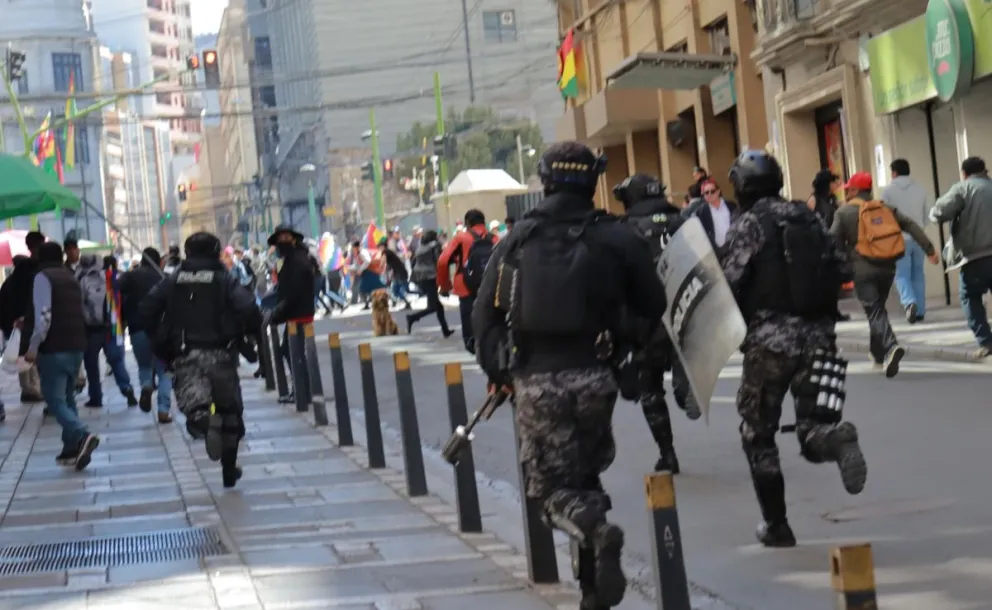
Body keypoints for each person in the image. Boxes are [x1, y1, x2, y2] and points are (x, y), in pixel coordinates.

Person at [472, 142, 667, 610]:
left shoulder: (518, 239)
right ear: (594, 180)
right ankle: (592, 595)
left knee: (551, 494)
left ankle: (598, 533)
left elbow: (485, 315)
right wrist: (626, 346)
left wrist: (500, 370)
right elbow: (654, 305)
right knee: (584, 478)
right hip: (597, 377)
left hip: (538, 380)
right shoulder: (617, 237)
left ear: (545, 179)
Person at [722, 149, 867, 548]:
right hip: (821, 335)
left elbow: (728, 281)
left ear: (741, 185)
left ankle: (777, 525)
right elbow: (842, 268)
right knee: (811, 428)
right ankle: (835, 438)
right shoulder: (807, 217)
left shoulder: (749, 224)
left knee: (758, 433)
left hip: (771, 341)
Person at [140, 232, 262, 488]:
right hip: (221, 354)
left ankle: (206, 422)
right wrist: (247, 332)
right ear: (216, 252)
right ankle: (229, 470)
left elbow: (146, 310)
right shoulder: (224, 280)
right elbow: (249, 309)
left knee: (194, 406)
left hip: (185, 356)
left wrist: (160, 339)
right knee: (230, 413)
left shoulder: (172, 281)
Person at [612, 174, 697, 475]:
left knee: (649, 389)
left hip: (644, 320)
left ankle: (668, 453)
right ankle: (684, 382)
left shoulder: (624, 230)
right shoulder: (684, 220)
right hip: (684, 309)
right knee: (681, 352)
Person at [830, 171, 936, 377]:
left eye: (849, 189)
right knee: (877, 310)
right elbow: (910, 225)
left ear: (854, 190)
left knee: (875, 311)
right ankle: (877, 355)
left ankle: (890, 346)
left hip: (861, 269)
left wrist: (835, 267)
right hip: (887, 267)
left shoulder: (844, 213)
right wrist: (929, 249)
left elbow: (832, 242)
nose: (847, 193)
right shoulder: (884, 207)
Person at [22, 242, 99, 470]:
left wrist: (33, 346)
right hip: (76, 344)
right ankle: (71, 448)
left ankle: (82, 434)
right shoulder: (70, 277)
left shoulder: (43, 278)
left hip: (54, 346)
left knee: (53, 399)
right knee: (68, 397)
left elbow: (44, 316)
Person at [930, 156, 992, 359]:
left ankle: (986, 341)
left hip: (975, 256)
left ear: (964, 173)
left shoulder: (962, 188)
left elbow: (939, 212)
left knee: (969, 296)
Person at [76, 254, 137, 407]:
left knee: (91, 364)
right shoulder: (111, 278)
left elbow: (80, 305)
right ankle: (126, 388)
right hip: (112, 328)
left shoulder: (82, 280)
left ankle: (96, 397)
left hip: (91, 330)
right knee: (116, 361)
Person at [119, 247, 173, 423]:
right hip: (161, 331)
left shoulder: (131, 276)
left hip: (137, 329)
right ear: (158, 261)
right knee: (164, 370)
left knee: (144, 366)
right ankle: (163, 410)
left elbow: (116, 287)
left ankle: (146, 385)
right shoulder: (164, 278)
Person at [437, 209, 498, 354]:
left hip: (466, 287)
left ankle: (473, 344)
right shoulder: (495, 239)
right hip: (490, 285)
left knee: (469, 328)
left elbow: (442, 261)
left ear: (467, 223)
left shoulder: (461, 238)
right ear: (484, 222)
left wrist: (445, 286)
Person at [267, 226, 316, 402]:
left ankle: (302, 391)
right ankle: (302, 389)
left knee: (292, 351)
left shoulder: (297, 260)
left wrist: (277, 313)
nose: (283, 241)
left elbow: (294, 292)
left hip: (299, 313)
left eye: (286, 237)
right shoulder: (292, 258)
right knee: (291, 350)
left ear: (294, 239)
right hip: (296, 312)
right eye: (280, 238)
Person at [882, 159, 932, 323]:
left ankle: (909, 302)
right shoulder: (921, 189)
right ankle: (921, 311)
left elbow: (884, 215)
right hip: (918, 237)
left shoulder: (888, 191)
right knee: (918, 273)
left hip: (898, 238)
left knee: (901, 274)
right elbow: (927, 217)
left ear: (894, 172)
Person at [0, 232, 45, 403]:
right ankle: (33, 389)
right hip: (28, 319)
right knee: (32, 356)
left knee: (25, 356)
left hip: (19, 322)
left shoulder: (12, 280)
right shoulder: (35, 271)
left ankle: (28, 389)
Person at [406, 229, 453, 337]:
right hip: (431, 277)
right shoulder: (435, 246)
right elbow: (439, 261)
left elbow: (413, 263)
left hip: (420, 278)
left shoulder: (419, 248)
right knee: (432, 306)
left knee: (438, 305)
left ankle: (445, 330)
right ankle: (412, 317)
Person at [681, 178, 739, 251]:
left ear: (718, 191)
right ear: (703, 195)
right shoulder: (701, 212)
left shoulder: (731, 206)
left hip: (735, 248)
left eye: (712, 191)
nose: (710, 194)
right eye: (706, 192)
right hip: (716, 252)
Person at [378, 238, 411, 309]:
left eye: (379, 247)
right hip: (398, 272)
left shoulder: (385, 252)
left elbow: (382, 263)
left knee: (396, 289)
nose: (379, 249)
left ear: (383, 246)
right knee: (395, 290)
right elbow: (387, 264)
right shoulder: (389, 252)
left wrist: (379, 266)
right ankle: (406, 302)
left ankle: (406, 302)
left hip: (399, 273)